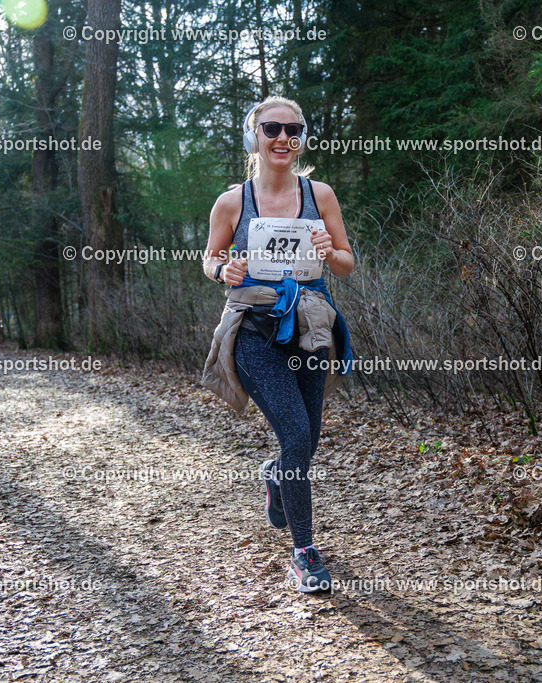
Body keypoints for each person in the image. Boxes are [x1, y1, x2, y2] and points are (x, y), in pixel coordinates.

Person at [202, 96, 354, 593]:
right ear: (255, 138)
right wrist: (224, 269)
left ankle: (275, 475)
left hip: (309, 330)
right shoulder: (232, 202)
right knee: (295, 435)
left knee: (304, 443)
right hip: (253, 332)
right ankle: (304, 552)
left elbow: (346, 263)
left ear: (302, 138)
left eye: (293, 130)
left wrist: (330, 251)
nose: (283, 138)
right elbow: (210, 258)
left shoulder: (320, 195)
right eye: (272, 129)